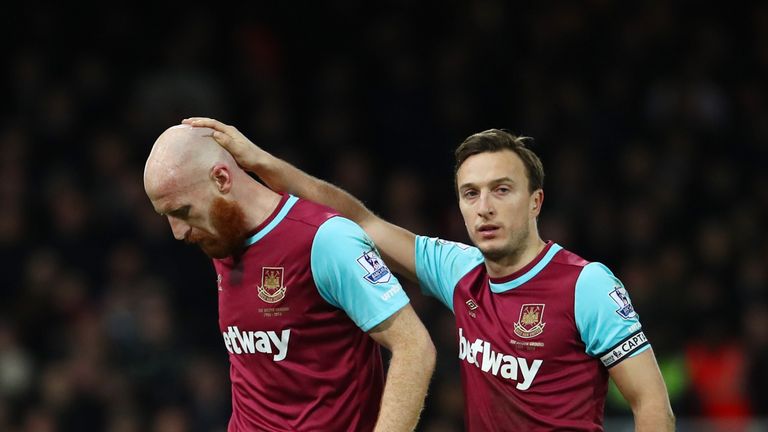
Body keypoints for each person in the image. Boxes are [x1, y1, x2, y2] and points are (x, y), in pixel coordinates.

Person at [183, 117, 676, 431]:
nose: (484, 208)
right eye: (471, 193)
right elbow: (362, 222)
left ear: (535, 201)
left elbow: (652, 405)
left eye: (502, 190)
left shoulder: (586, 285)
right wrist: (264, 163)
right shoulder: (460, 271)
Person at [142, 124, 436, 432]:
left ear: (221, 178)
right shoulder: (221, 239)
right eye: (167, 216)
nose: (178, 232)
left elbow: (414, 347)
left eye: (183, 211)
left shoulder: (326, 241)